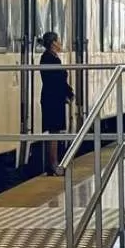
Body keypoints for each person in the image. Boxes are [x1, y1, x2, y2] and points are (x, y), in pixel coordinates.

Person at [39, 31, 74, 175]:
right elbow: (57, 80)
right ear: (53, 43)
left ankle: (53, 164)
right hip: (53, 99)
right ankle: (53, 164)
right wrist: (68, 92)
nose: (60, 43)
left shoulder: (50, 57)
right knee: (54, 131)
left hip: (53, 97)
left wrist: (67, 92)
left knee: (55, 131)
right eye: (58, 41)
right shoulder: (49, 59)